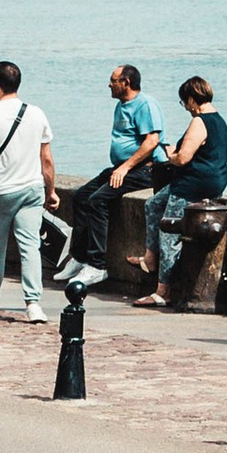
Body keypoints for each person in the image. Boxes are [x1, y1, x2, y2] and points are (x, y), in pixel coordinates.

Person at [0, 60, 59, 319]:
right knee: (30, 246)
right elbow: (46, 159)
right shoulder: (37, 113)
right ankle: (33, 304)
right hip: (31, 189)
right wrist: (51, 191)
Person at [64, 64, 163, 287]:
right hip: (121, 166)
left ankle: (97, 265)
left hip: (143, 169)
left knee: (98, 201)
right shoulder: (121, 105)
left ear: (126, 83)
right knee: (81, 196)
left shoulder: (145, 104)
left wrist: (125, 167)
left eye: (113, 80)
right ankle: (80, 258)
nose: (109, 84)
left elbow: (151, 141)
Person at [136, 77, 227, 307]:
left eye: (184, 103)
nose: (186, 108)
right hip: (212, 181)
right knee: (153, 205)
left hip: (192, 184)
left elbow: (183, 158)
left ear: (191, 99)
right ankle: (150, 257)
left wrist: (170, 154)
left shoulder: (200, 121)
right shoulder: (220, 121)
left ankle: (163, 291)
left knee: (169, 230)